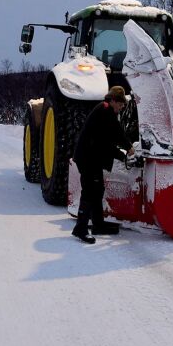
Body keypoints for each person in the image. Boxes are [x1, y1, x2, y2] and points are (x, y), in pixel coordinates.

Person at [71, 85, 133, 244]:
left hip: (93, 157)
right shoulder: (105, 111)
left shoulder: (106, 111)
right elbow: (115, 135)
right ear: (112, 100)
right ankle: (81, 228)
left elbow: (108, 140)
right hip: (87, 158)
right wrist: (127, 150)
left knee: (98, 189)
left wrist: (123, 152)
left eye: (122, 104)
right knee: (90, 191)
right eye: (119, 104)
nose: (121, 107)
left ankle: (98, 224)